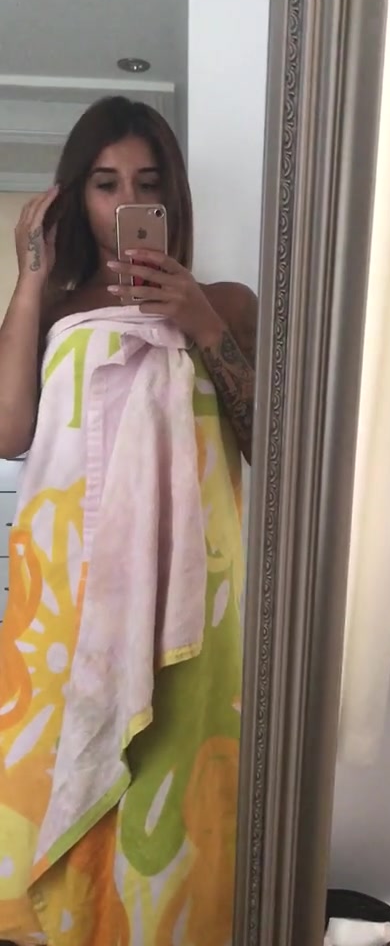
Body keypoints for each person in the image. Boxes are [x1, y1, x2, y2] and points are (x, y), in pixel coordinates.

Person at [0, 96, 255, 946]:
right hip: (67, 582)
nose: (127, 201)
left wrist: (203, 323)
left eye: (147, 183)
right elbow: (8, 431)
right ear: (77, 196)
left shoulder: (227, 302)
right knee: (55, 760)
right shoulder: (53, 304)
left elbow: (279, 445)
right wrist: (30, 278)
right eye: (106, 184)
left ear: (173, 195)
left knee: (175, 776)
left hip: (194, 590)